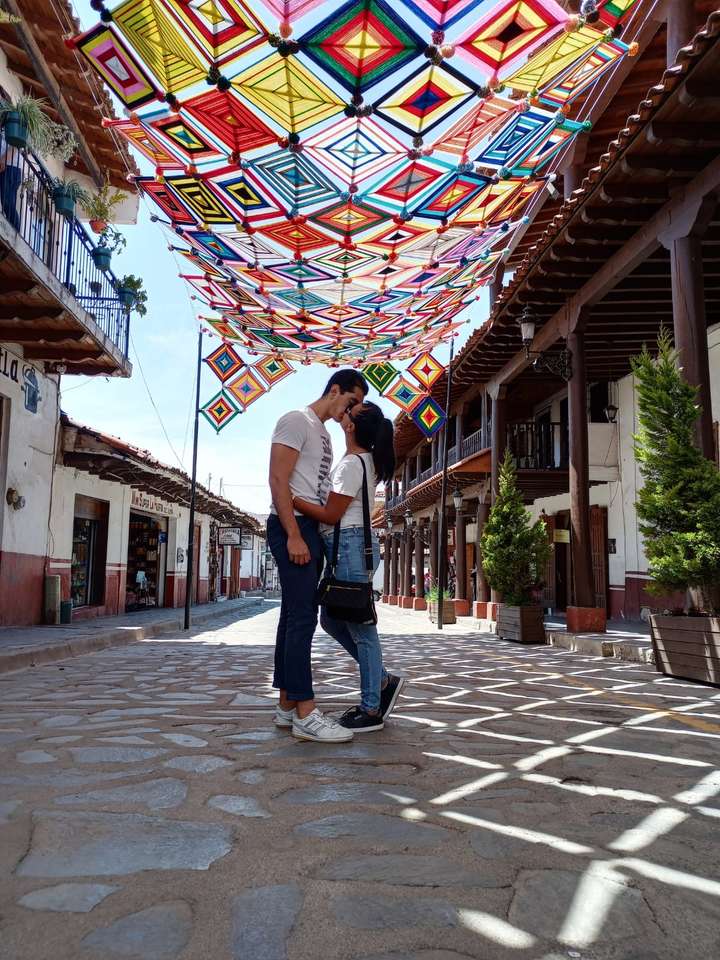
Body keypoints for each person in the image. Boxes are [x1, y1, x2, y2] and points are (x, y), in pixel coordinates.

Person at [267, 368, 368, 743]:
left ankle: (286, 705)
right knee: (303, 619)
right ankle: (306, 712)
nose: (351, 411)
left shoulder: (324, 433)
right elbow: (278, 479)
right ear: (335, 390)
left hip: (307, 527)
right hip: (291, 525)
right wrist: (293, 534)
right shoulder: (296, 420)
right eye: (350, 401)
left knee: (292, 616)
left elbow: (320, 484)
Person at [293, 401, 405, 732]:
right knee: (331, 619)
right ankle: (382, 679)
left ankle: (371, 708)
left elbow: (330, 515)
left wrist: (290, 498)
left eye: (349, 413)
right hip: (348, 547)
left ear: (351, 426)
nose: (344, 412)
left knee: (362, 628)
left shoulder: (352, 465)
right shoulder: (360, 461)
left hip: (349, 547)